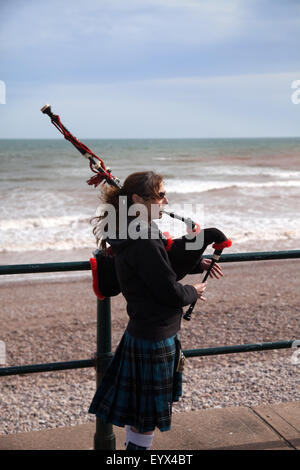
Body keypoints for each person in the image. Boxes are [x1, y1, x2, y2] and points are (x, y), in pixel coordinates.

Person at [88, 171, 223, 450]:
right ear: (138, 199)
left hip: (145, 330)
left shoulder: (133, 229)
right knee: (144, 416)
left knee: (139, 411)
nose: (166, 200)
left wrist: (198, 263)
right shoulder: (143, 237)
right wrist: (192, 291)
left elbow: (159, 266)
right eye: (161, 195)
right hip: (154, 337)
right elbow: (168, 291)